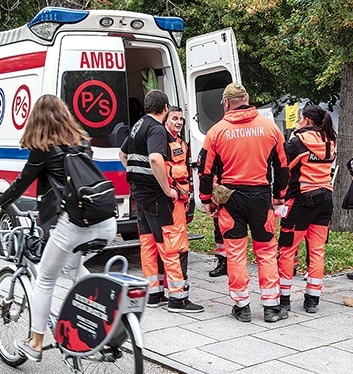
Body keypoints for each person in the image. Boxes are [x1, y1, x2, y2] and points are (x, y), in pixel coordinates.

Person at [0, 94, 117, 362]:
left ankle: (35, 342)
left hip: (75, 223)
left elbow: (21, 184)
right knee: (72, 267)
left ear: (36, 120)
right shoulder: (82, 142)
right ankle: (100, 316)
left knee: (46, 279)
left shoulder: (44, 148)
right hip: (106, 220)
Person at [198, 83, 289, 323]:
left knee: (235, 253)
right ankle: (271, 306)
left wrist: (207, 199)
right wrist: (279, 194)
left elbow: (205, 171)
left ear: (227, 103)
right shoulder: (270, 128)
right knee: (267, 251)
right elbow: (282, 166)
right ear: (247, 99)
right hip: (260, 197)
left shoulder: (217, 132)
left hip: (231, 198)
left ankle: (242, 306)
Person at [119, 92, 204, 313]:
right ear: (164, 108)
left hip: (141, 195)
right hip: (158, 196)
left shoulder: (138, 125)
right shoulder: (156, 129)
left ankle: (154, 293)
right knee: (172, 245)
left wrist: (137, 175)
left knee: (148, 244)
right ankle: (178, 299)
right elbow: (155, 158)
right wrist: (166, 188)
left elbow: (122, 154)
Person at [277, 105, 337, 313]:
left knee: (287, 250)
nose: (299, 122)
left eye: (301, 119)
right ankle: (312, 300)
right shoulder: (330, 141)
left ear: (307, 121)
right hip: (325, 200)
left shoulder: (298, 142)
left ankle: (284, 298)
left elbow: (283, 166)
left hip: (301, 201)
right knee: (317, 251)